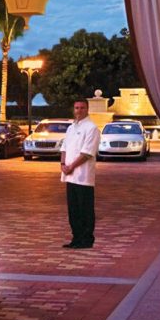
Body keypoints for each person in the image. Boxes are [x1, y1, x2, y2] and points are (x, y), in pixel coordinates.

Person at [60, 97, 100, 249]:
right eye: (76, 108)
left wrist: (72, 166)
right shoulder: (71, 128)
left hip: (83, 177)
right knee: (73, 210)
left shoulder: (91, 128)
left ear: (87, 109)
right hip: (70, 176)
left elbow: (87, 153)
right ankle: (76, 238)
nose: (79, 110)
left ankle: (86, 239)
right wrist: (63, 164)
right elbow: (64, 148)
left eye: (82, 108)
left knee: (85, 209)